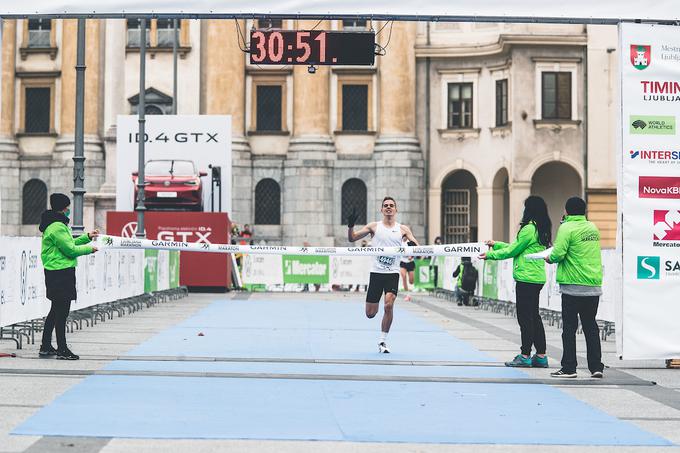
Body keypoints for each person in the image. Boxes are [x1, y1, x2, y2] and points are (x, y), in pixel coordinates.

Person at [480, 196, 551, 368]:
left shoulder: (528, 228)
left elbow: (513, 250)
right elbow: (518, 247)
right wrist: (496, 244)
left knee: (525, 318)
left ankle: (525, 355)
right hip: (536, 277)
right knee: (534, 316)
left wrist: (490, 255)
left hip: (525, 278)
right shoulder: (541, 228)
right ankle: (541, 356)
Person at [347, 197, 419, 353]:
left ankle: (382, 341)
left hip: (392, 273)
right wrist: (351, 225)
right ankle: (376, 316)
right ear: (381, 209)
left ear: (395, 210)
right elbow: (352, 238)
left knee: (388, 304)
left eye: (391, 206)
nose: (388, 208)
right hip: (376, 273)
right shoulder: (374, 227)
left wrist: (410, 244)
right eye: (385, 206)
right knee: (370, 314)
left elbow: (417, 247)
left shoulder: (403, 229)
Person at [545, 196, 604, 379]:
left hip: (572, 287)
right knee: (591, 327)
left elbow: (559, 253)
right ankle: (596, 367)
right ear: (584, 211)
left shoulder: (566, 227)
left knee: (569, 328)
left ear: (567, 210)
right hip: (593, 285)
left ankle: (569, 367)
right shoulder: (592, 228)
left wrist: (550, 258)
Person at [38, 193, 98, 360]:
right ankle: (62, 349)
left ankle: (45, 346)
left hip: (56, 271)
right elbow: (70, 250)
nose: (68, 210)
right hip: (60, 272)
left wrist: (87, 238)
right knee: (62, 313)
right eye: (67, 207)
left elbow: (70, 243)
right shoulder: (57, 226)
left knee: (55, 310)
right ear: (63, 208)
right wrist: (90, 249)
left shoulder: (54, 224)